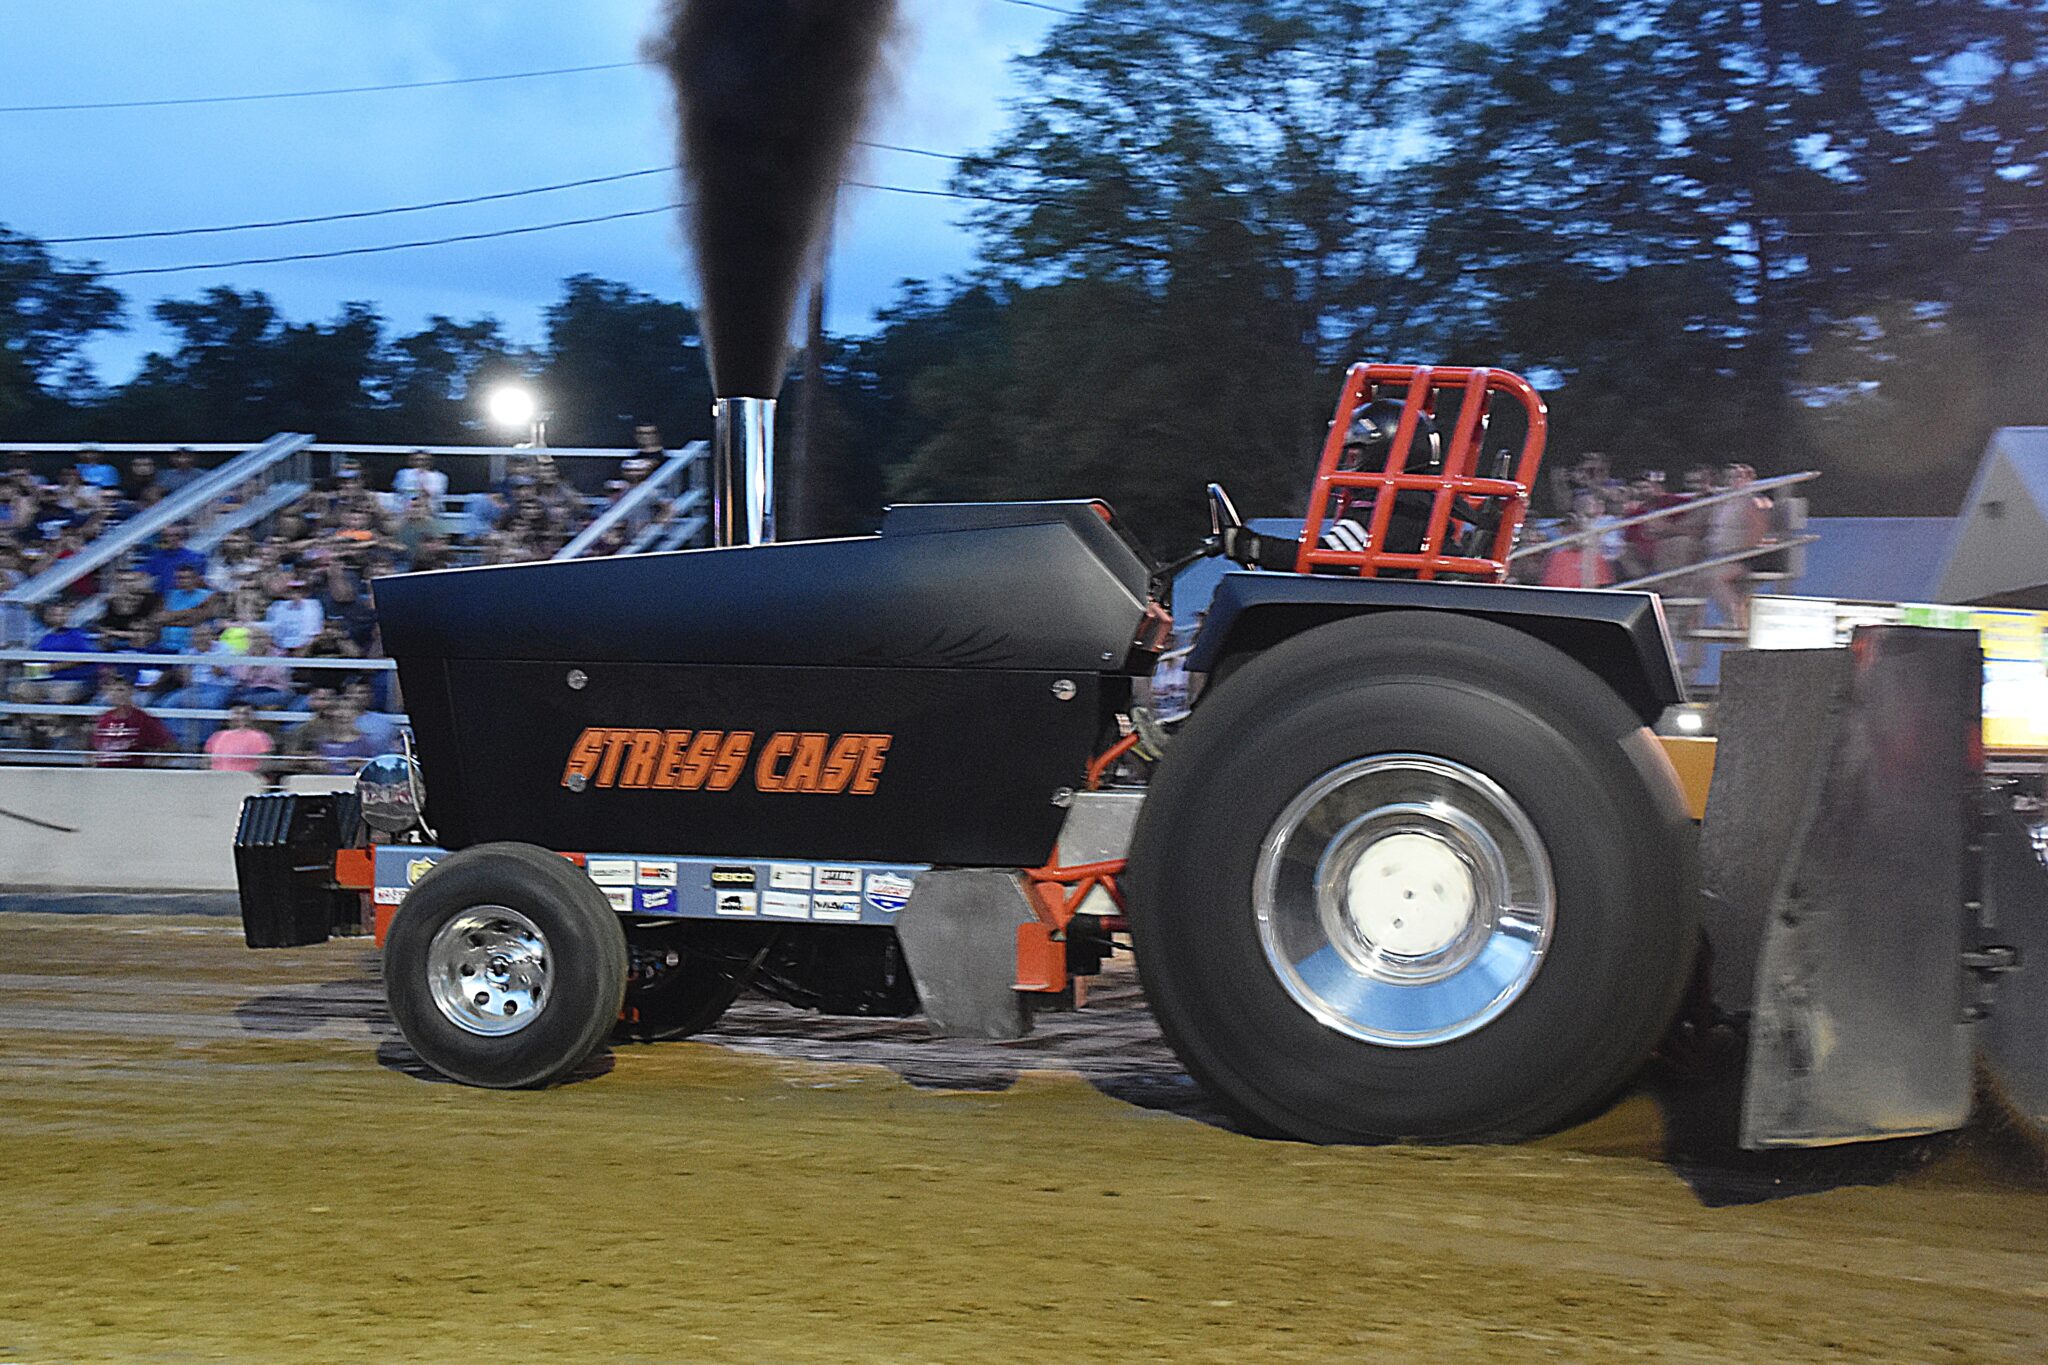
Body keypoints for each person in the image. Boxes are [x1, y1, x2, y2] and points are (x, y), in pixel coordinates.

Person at [1706, 462, 1770, 631]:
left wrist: (1740, 553)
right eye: (1730, 477)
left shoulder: (1754, 501)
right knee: (1695, 576)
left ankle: (1735, 621)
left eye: (1740, 476)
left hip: (1744, 557)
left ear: (1750, 479)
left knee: (1714, 577)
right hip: (1722, 555)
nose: (1734, 480)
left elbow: (1758, 531)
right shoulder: (1724, 501)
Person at [92, 674, 175, 767]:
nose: (115, 694)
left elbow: (169, 745)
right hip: (104, 772)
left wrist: (155, 760)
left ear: (130, 692)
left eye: (120, 690)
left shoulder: (142, 719)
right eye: (111, 690)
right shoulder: (103, 719)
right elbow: (95, 747)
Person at [203, 702, 274, 773]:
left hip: (245, 777)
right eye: (237, 713)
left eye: (245, 714)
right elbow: (206, 761)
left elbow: (265, 764)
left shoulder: (260, 738)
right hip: (218, 777)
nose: (241, 717)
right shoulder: (217, 736)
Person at [139, 523, 205, 594]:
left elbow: (200, 582)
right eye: (166, 535)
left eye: (175, 535)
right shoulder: (158, 557)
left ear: (182, 537)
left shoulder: (194, 558)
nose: (170, 539)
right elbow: (143, 572)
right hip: (162, 597)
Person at [263, 577, 324, 652]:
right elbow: (272, 630)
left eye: (299, 591)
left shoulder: (313, 606)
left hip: (304, 649)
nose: (296, 594)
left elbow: (314, 633)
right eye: (292, 590)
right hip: (279, 648)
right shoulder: (277, 606)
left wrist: (303, 648)